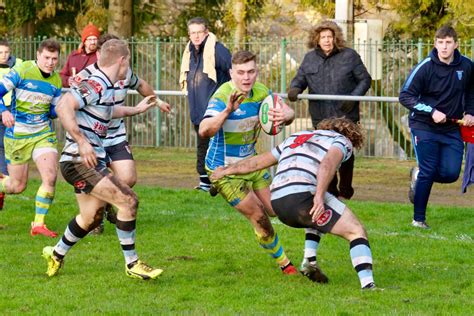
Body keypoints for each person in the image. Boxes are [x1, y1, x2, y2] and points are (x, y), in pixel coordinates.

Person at [42, 39, 163, 279]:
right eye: (128, 61)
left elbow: (107, 112)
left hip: (87, 161)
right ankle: (132, 264)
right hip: (79, 161)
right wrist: (82, 141)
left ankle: (55, 254)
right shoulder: (97, 83)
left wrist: (136, 110)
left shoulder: (106, 85)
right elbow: (64, 106)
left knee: (90, 217)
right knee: (128, 201)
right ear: (122, 61)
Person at [211, 118, 377, 289]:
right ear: (352, 135)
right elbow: (327, 164)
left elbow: (258, 162)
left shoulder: (296, 137)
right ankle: (368, 286)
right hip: (301, 199)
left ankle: (309, 260)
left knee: (316, 211)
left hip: (278, 202)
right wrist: (319, 196)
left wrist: (226, 171)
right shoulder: (342, 141)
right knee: (356, 231)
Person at [199, 50, 298, 275]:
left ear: (257, 72)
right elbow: (205, 130)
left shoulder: (262, 92)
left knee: (276, 210)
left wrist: (286, 116)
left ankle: (265, 234)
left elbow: (288, 111)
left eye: (251, 72)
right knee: (259, 216)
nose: (246, 77)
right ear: (231, 73)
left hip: (253, 164)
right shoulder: (222, 96)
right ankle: (285, 262)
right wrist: (227, 111)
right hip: (223, 170)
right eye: (241, 72)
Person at [72, 33, 171, 234]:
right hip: (94, 137)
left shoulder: (125, 73)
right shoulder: (87, 76)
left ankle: (108, 205)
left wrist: (157, 100)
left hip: (116, 135)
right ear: (99, 53)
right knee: (99, 180)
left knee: (128, 177)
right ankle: (95, 219)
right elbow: (73, 104)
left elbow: (142, 85)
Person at [399, 25, 474, 229]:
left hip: (452, 129)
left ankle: (418, 175)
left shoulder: (467, 66)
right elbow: (405, 96)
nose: (444, 47)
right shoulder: (425, 66)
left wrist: (470, 112)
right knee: (430, 169)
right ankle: (418, 219)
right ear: (435, 44)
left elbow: (471, 91)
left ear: (456, 44)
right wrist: (431, 111)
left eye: (448, 42)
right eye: (440, 42)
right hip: (424, 126)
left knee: (451, 174)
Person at [287, 20, 371, 201]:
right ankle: (331, 189)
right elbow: (300, 79)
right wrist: (295, 89)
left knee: (345, 151)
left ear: (335, 38)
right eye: (323, 37)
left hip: (345, 115)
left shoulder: (350, 56)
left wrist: (353, 98)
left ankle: (346, 188)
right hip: (320, 115)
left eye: (329, 36)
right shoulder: (310, 58)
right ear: (316, 39)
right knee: (324, 153)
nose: (326, 40)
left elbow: (365, 79)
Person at [0, 39, 62, 237]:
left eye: (54, 58)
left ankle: (38, 224)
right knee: (17, 186)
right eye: (46, 57)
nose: (50, 62)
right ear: (38, 55)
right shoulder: (23, 70)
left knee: (50, 176)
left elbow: (52, 111)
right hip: (18, 135)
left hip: (43, 134)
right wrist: (3, 111)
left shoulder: (57, 81)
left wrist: (62, 107)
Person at [179, 17, 232, 192]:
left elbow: (233, 71)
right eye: (192, 33)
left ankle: (221, 181)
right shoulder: (189, 53)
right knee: (203, 145)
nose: (196, 36)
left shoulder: (218, 50)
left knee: (218, 146)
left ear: (206, 32)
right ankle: (205, 183)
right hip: (197, 109)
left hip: (215, 110)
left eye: (199, 32)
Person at [0, 39, 22, 210]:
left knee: (8, 146)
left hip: (12, 113)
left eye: (6, 52)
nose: (4, 56)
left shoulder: (18, 65)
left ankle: (5, 177)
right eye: (0, 52)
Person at [60, 23, 100, 87]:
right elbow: (62, 76)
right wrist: (68, 80)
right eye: (90, 39)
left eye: (95, 39)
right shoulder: (73, 56)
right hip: (73, 94)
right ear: (84, 41)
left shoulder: (100, 57)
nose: (93, 42)